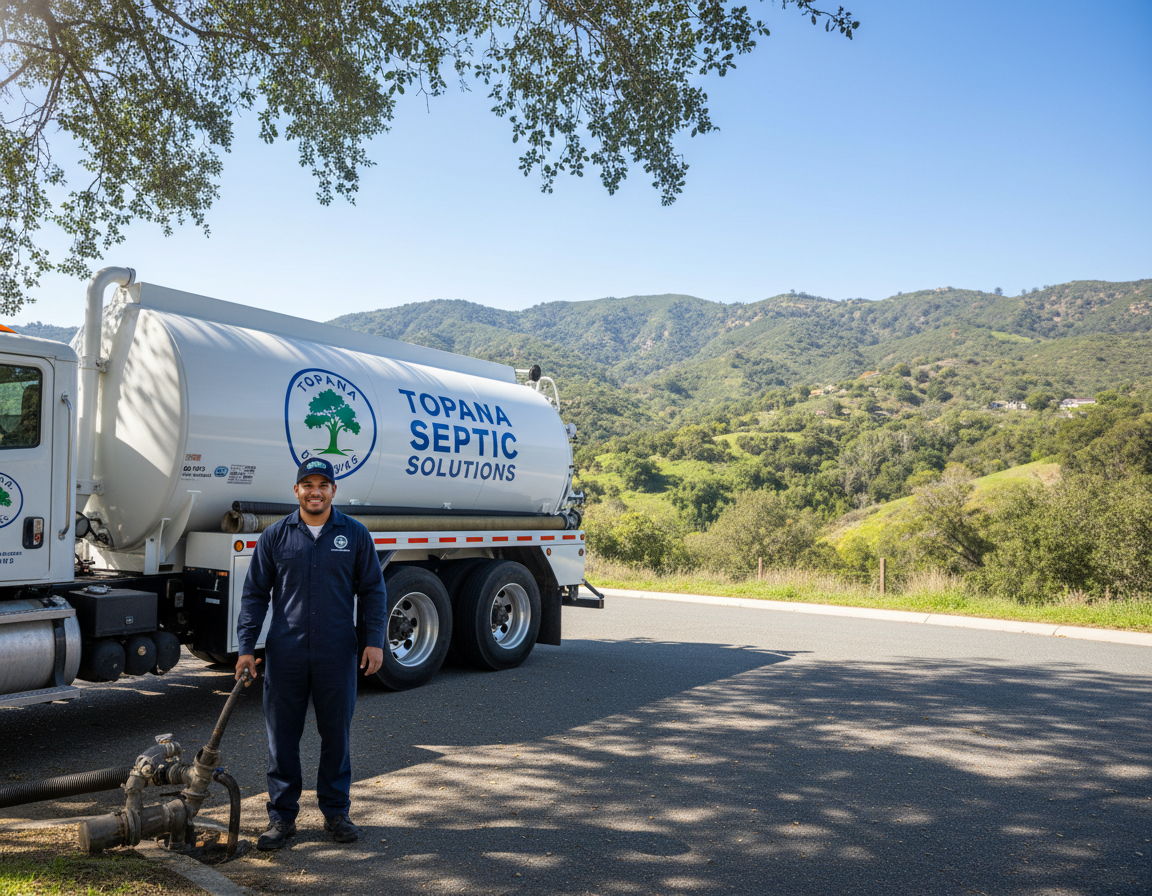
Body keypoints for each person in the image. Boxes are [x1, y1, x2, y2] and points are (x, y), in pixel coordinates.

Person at [235, 457, 387, 850]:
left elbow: (373, 590)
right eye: (308, 484)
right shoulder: (275, 536)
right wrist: (247, 647)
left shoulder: (354, 535)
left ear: (334, 490)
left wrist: (374, 640)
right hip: (286, 653)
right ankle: (282, 818)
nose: (315, 491)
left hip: (337, 653)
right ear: (297, 490)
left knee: (336, 735)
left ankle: (336, 813)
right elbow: (254, 594)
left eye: (323, 484)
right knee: (282, 738)